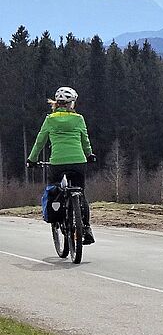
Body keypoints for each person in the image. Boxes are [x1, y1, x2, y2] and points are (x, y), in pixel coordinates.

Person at [26, 87, 98, 244]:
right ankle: (85, 228)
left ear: (57, 104)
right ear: (71, 104)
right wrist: (90, 155)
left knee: (55, 190)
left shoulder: (50, 119)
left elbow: (40, 141)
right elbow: (85, 141)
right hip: (78, 162)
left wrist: (32, 159)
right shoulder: (79, 119)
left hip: (57, 163)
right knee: (81, 193)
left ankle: (58, 218)